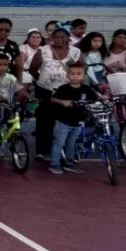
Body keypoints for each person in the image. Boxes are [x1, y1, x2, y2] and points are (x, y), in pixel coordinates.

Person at [29, 27, 81, 161]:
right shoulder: (44, 50)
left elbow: (83, 66)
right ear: (52, 38)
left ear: (68, 38)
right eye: (56, 37)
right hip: (45, 91)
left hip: (67, 91)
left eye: (62, 37)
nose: (59, 39)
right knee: (44, 121)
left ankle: (67, 150)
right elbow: (33, 69)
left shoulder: (75, 52)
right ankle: (43, 151)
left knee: (68, 121)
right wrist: (43, 80)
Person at [47, 64, 98, 175]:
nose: (75, 77)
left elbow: (95, 98)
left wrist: (103, 98)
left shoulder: (86, 89)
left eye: (78, 74)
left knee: (72, 143)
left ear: (84, 76)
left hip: (78, 122)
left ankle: (69, 163)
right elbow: (52, 99)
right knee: (59, 143)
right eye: (72, 74)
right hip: (64, 121)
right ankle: (54, 164)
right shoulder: (63, 88)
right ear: (67, 75)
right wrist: (63, 102)